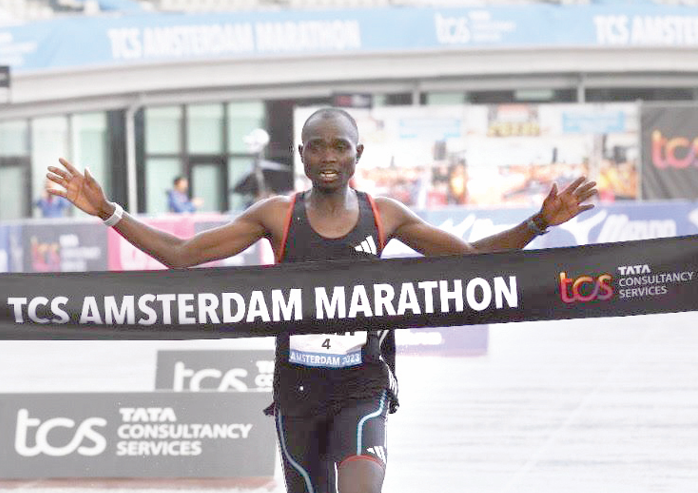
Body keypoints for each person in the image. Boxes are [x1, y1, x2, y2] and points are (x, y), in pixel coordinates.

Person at [46, 107, 597, 493]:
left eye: (340, 146)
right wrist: (107, 211)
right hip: (298, 393)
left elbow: (469, 261)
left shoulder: (385, 215)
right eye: (317, 146)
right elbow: (181, 255)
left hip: (363, 385)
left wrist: (537, 223)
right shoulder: (276, 216)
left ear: (358, 153)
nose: (328, 156)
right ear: (301, 154)